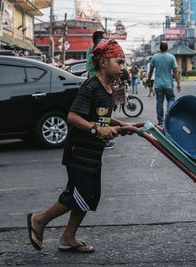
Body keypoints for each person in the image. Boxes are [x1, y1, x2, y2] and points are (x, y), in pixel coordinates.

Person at [26, 39, 137, 253]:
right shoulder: (91, 86)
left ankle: (68, 236)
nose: (122, 66)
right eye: (119, 61)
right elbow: (73, 116)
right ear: (104, 62)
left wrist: (122, 125)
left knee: (89, 195)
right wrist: (97, 130)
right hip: (79, 152)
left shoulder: (107, 88)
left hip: (93, 153)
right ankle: (39, 220)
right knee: (77, 194)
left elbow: (100, 118)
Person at [147, 42, 181, 126]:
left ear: (159, 48)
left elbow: (151, 71)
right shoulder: (171, 57)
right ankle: (168, 115)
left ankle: (160, 121)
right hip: (168, 84)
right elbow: (175, 72)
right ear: (167, 48)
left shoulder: (155, 57)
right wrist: (178, 83)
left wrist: (148, 80)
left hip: (158, 85)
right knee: (171, 99)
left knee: (159, 103)